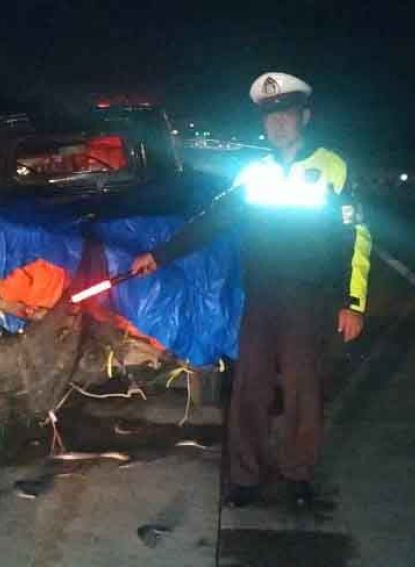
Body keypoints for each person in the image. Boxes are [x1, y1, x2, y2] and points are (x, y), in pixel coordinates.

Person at [130, 72, 372, 508]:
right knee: (250, 387)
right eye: (270, 117)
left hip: (310, 297)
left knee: (303, 390)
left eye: (286, 115)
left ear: (305, 116)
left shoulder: (334, 165)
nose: (278, 124)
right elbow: (216, 217)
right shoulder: (256, 171)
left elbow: (356, 238)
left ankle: (298, 475)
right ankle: (245, 478)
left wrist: (351, 302)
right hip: (261, 295)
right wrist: (161, 254)